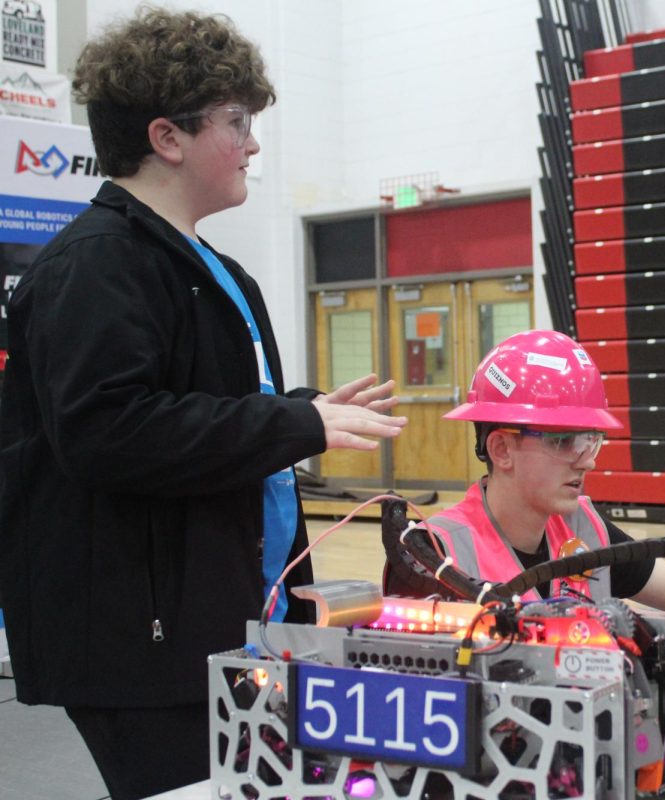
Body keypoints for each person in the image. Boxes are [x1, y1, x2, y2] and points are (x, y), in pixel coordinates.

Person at [0, 9, 406, 800]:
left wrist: (301, 409)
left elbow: (200, 413)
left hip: (230, 620)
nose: (253, 143)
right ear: (168, 137)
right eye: (236, 122)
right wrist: (294, 423)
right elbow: (108, 432)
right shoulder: (92, 268)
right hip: (143, 646)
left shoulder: (212, 269)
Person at [386, 329, 665, 622]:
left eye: (590, 441)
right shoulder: (432, 554)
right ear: (501, 450)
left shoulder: (584, 528)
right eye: (564, 441)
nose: (587, 462)